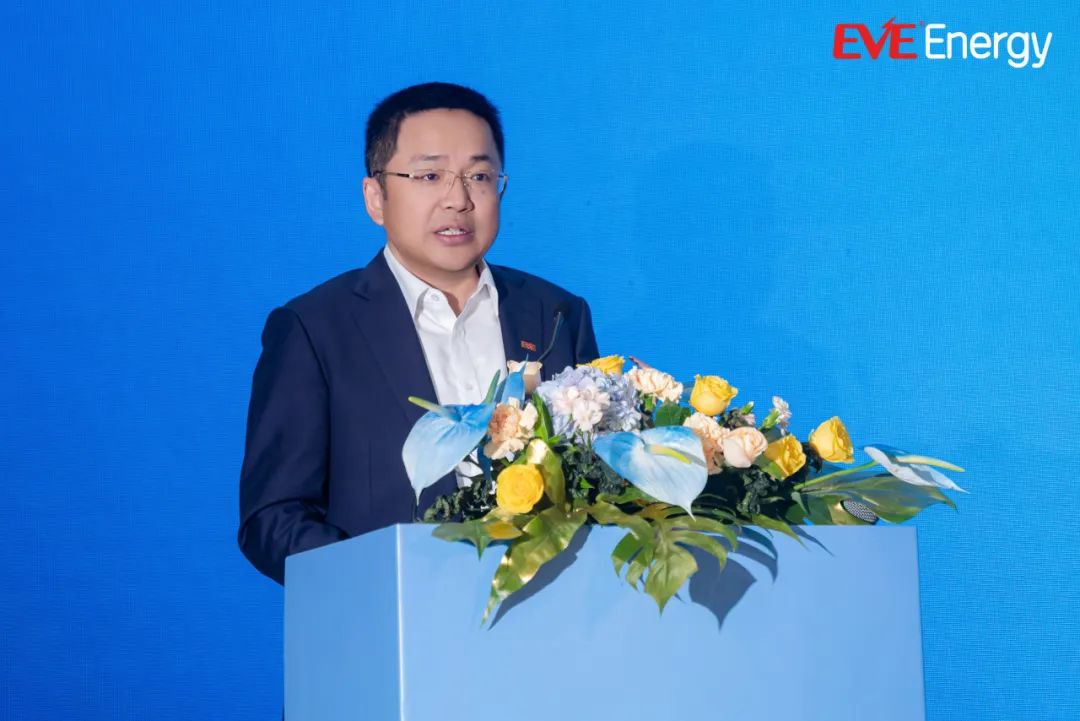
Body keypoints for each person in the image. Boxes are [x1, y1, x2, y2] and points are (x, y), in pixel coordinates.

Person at [238, 82, 601, 584]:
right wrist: (384, 583)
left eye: (479, 176)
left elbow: (594, 484)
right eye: (430, 175)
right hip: (393, 617)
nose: (458, 199)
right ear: (376, 197)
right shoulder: (315, 329)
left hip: (549, 612)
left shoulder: (556, 313)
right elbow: (272, 517)